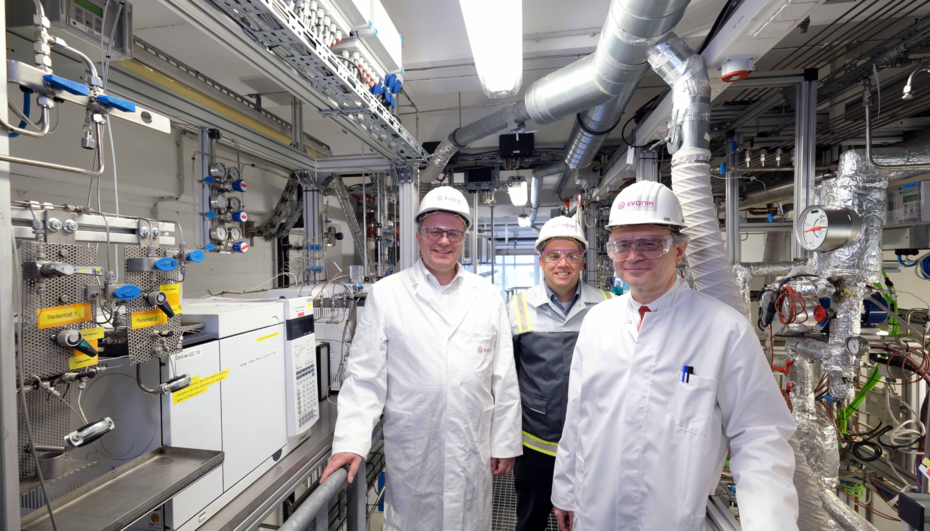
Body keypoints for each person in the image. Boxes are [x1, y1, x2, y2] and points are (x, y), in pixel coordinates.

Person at [552, 181, 799, 531]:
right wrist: (564, 490)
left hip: (670, 517)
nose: (634, 255)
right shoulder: (598, 321)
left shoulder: (724, 329)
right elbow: (579, 414)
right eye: (623, 244)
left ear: (679, 251)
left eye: (652, 243)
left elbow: (759, 436)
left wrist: (768, 525)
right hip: (596, 511)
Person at [320, 186, 522, 531]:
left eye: (453, 233)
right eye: (434, 231)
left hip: (471, 442)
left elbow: (503, 375)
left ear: (464, 238)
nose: (443, 240)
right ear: (419, 236)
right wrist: (352, 441)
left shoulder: (487, 295)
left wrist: (505, 441)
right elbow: (365, 378)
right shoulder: (388, 294)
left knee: (470, 520)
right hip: (415, 445)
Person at [508, 216, 613, 531]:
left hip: (592, 443)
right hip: (536, 443)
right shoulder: (517, 308)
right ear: (541, 261)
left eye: (571, 255)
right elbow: (505, 380)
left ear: (582, 261)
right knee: (531, 520)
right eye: (553, 255)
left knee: (590, 519)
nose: (562, 263)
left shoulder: (608, 307)